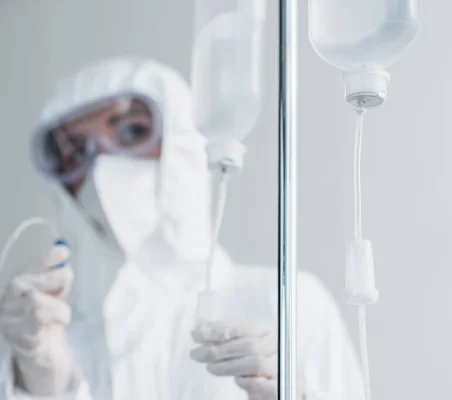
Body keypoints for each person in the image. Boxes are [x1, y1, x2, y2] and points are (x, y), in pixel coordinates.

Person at [0, 57, 364, 399]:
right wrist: (41, 382)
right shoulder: (48, 336)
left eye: (132, 131)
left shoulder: (286, 303)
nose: (102, 167)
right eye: (78, 153)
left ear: (182, 140)